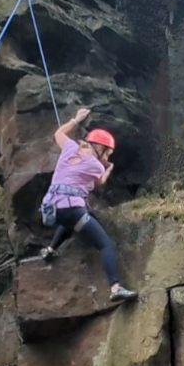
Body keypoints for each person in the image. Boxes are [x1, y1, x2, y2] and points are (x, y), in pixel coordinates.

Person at [40, 107, 138, 302]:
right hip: (72, 210)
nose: (107, 158)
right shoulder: (95, 165)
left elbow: (58, 133)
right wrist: (109, 169)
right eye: (107, 153)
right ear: (99, 148)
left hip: (51, 208)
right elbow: (99, 183)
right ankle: (115, 288)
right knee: (105, 245)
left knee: (72, 221)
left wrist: (76, 120)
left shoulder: (69, 149)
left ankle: (49, 250)